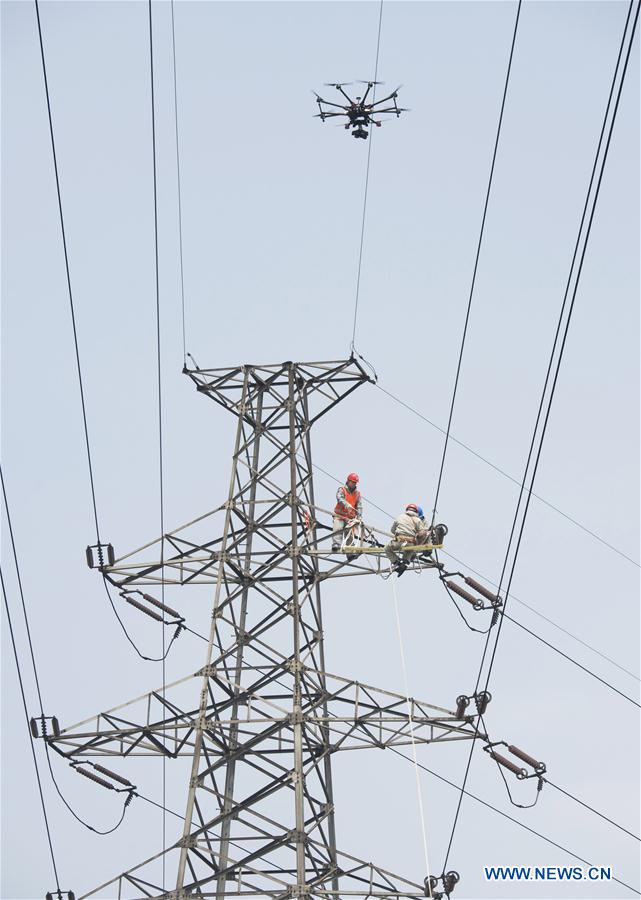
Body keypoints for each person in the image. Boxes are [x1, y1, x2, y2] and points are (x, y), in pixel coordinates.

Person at [385, 503, 429, 575]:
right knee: (410, 550)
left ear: (407, 509)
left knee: (387, 549)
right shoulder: (418, 520)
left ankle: (398, 563)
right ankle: (404, 563)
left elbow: (392, 530)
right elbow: (422, 532)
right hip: (410, 543)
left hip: (399, 541)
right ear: (416, 511)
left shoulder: (400, 517)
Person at [332, 473, 363, 552]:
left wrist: (359, 517)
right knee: (338, 528)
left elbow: (359, 506)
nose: (354, 484)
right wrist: (346, 504)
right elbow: (339, 497)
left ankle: (350, 552)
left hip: (350, 518)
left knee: (350, 535)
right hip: (340, 516)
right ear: (348, 481)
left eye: (355, 482)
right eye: (352, 482)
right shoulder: (342, 490)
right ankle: (336, 544)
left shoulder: (357, 494)